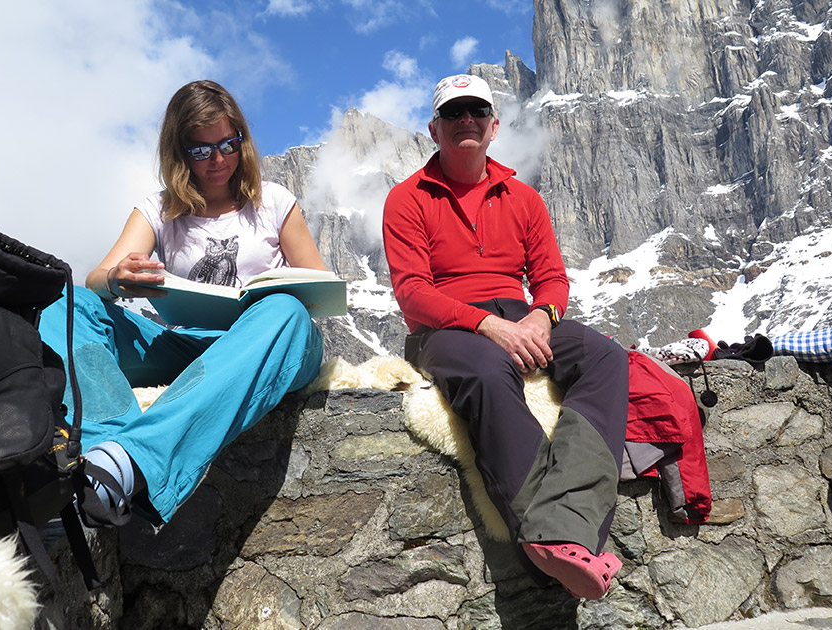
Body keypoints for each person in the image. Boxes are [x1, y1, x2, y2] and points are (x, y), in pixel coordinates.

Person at [382, 74, 628, 600]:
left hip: (520, 315)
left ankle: (564, 529)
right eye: (454, 113)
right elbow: (412, 293)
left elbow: (553, 279)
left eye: (476, 111)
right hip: (445, 327)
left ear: (494, 126)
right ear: (434, 128)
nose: (465, 120)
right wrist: (487, 325)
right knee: (489, 370)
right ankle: (558, 545)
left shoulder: (523, 198)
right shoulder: (406, 199)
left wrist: (542, 318)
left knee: (606, 357)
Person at [38, 80, 326, 525]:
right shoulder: (159, 209)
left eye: (229, 144)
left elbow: (319, 286)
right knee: (68, 299)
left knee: (284, 310)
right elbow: (97, 278)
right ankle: (103, 449)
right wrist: (118, 279)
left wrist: (281, 294)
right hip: (187, 343)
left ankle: (137, 459)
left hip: (268, 346)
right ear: (179, 152)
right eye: (201, 150)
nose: (219, 159)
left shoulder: (274, 202)